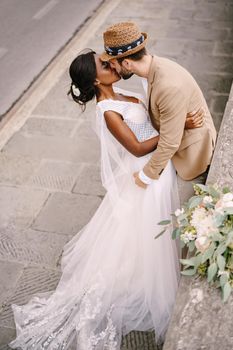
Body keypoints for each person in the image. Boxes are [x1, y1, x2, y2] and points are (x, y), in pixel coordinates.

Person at [9, 50, 203, 350]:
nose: (112, 64)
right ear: (96, 79)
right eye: (105, 64)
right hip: (145, 171)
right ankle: (148, 284)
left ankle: (145, 276)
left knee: (146, 232)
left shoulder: (122, 90)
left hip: (158, 167)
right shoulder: (107, 110)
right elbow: (137, 148)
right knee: (148, 230)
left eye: (109, 60)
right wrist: (176, 129)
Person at [100, 22, 217, 189]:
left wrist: (145, 176)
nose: (111, 66)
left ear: (126, 63)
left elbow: (169, 143)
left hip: (192, 158)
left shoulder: (167, 86)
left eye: (112, 62)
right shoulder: (155, 67)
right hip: (177, 146)